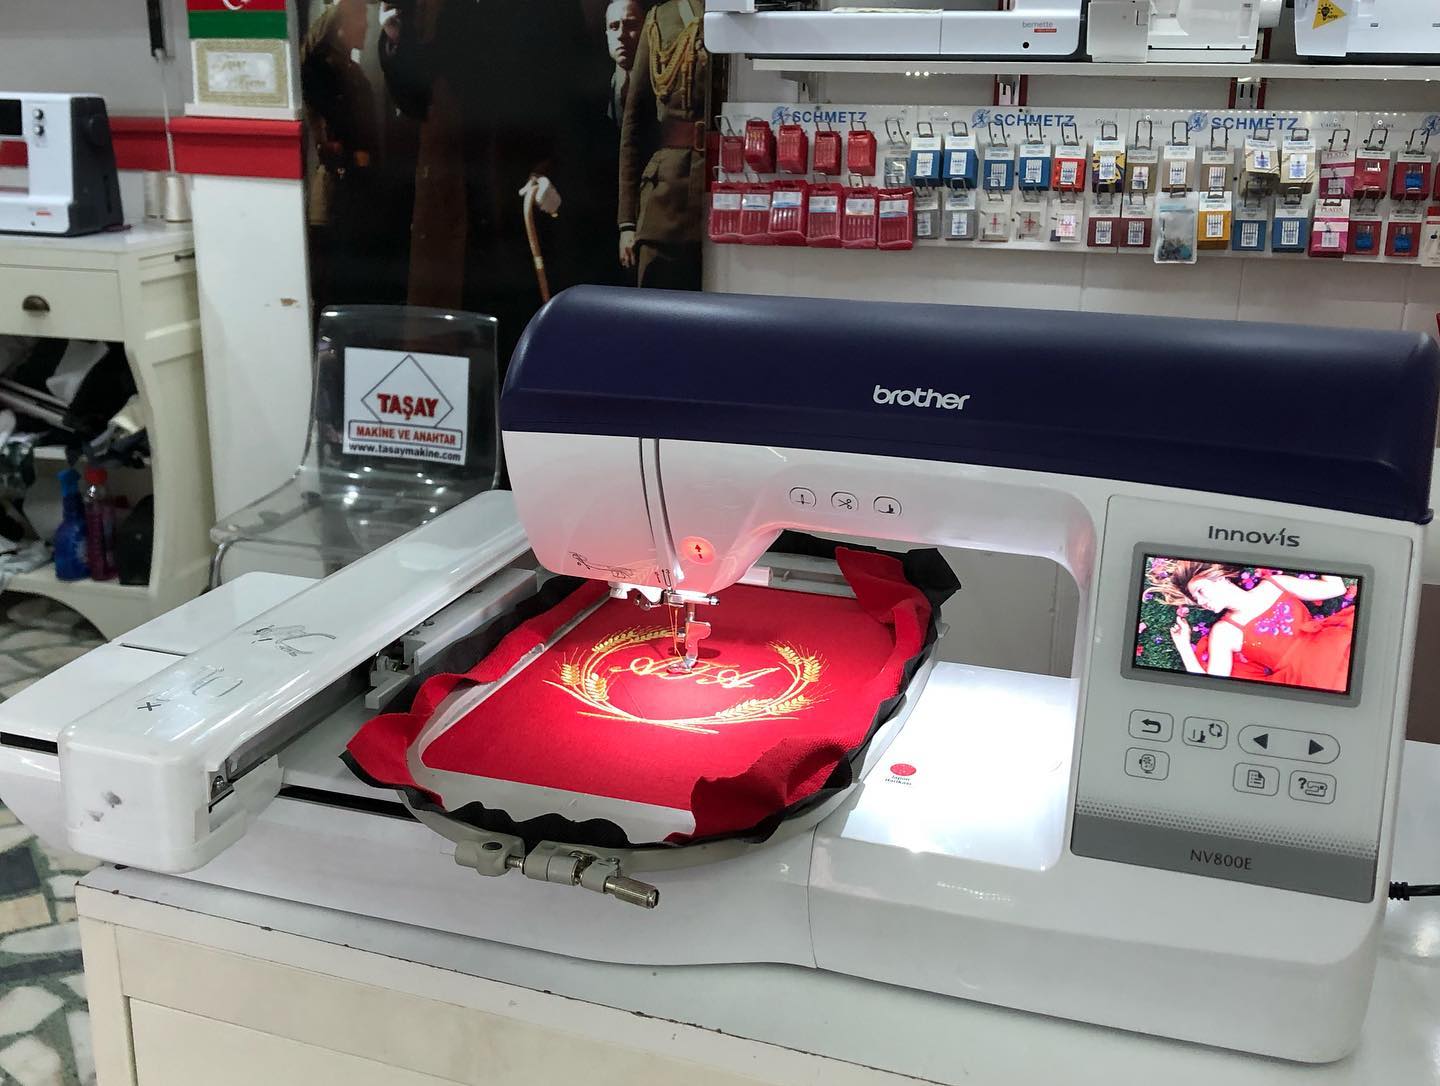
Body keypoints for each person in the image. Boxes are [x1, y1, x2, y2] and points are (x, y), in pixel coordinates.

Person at [378, 0, 604, 370]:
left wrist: (555, 171)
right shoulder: (440, 9)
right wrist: (396, 40)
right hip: (452, 201)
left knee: (518, 347)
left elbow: (580, 100)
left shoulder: (551, 9)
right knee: (446, 352)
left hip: (519, 198)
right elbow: (415, 98)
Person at [1146, 560, 1355, 692]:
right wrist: (1183, 646)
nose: (1200, 602)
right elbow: (1211, 685)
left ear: (1218, 577)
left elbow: (1335, 588)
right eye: (1195, 598)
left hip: (1331, 645)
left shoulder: (1275, 585)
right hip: (1304, 677)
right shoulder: (1224, 632)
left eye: (1200, 591)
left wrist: (1320, 549)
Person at [617, 0, 708, 290]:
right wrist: (628, 222)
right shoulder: (661, 19)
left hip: (730, 194)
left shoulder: (744, 17)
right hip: (668, 202)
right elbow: (634, 124)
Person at [302, 0, 379, 309]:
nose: (367, 25)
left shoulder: (348, 70)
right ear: (341, 27)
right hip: (336, 189)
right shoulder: (322, 69)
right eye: (360, 19)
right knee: (335, 280)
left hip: (352, 189)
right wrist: (352, 155)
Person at [605, 0, 644, 125]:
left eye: (631, 25)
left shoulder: (662, 87)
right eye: (614, 26)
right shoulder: (600, 90)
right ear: (607, 35)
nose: (621, 35)